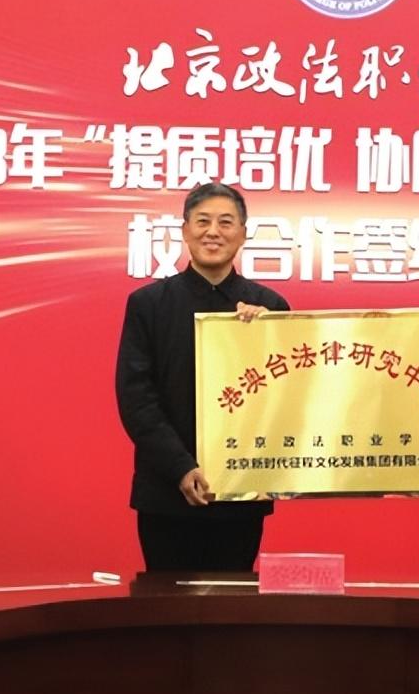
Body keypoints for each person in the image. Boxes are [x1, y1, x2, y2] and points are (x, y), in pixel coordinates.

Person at [116, 182, 289, 572]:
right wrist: (180, 467)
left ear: (243, 234)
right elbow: (137, 398)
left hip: (241, 495)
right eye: (203, 221)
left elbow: (287, 399)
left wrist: (272, 335)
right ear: (185, 231)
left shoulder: (270, 307)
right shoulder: (148, 304)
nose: (214, 232)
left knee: (232, 604)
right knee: (165, 604)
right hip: (165, 493)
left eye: (226, 222)